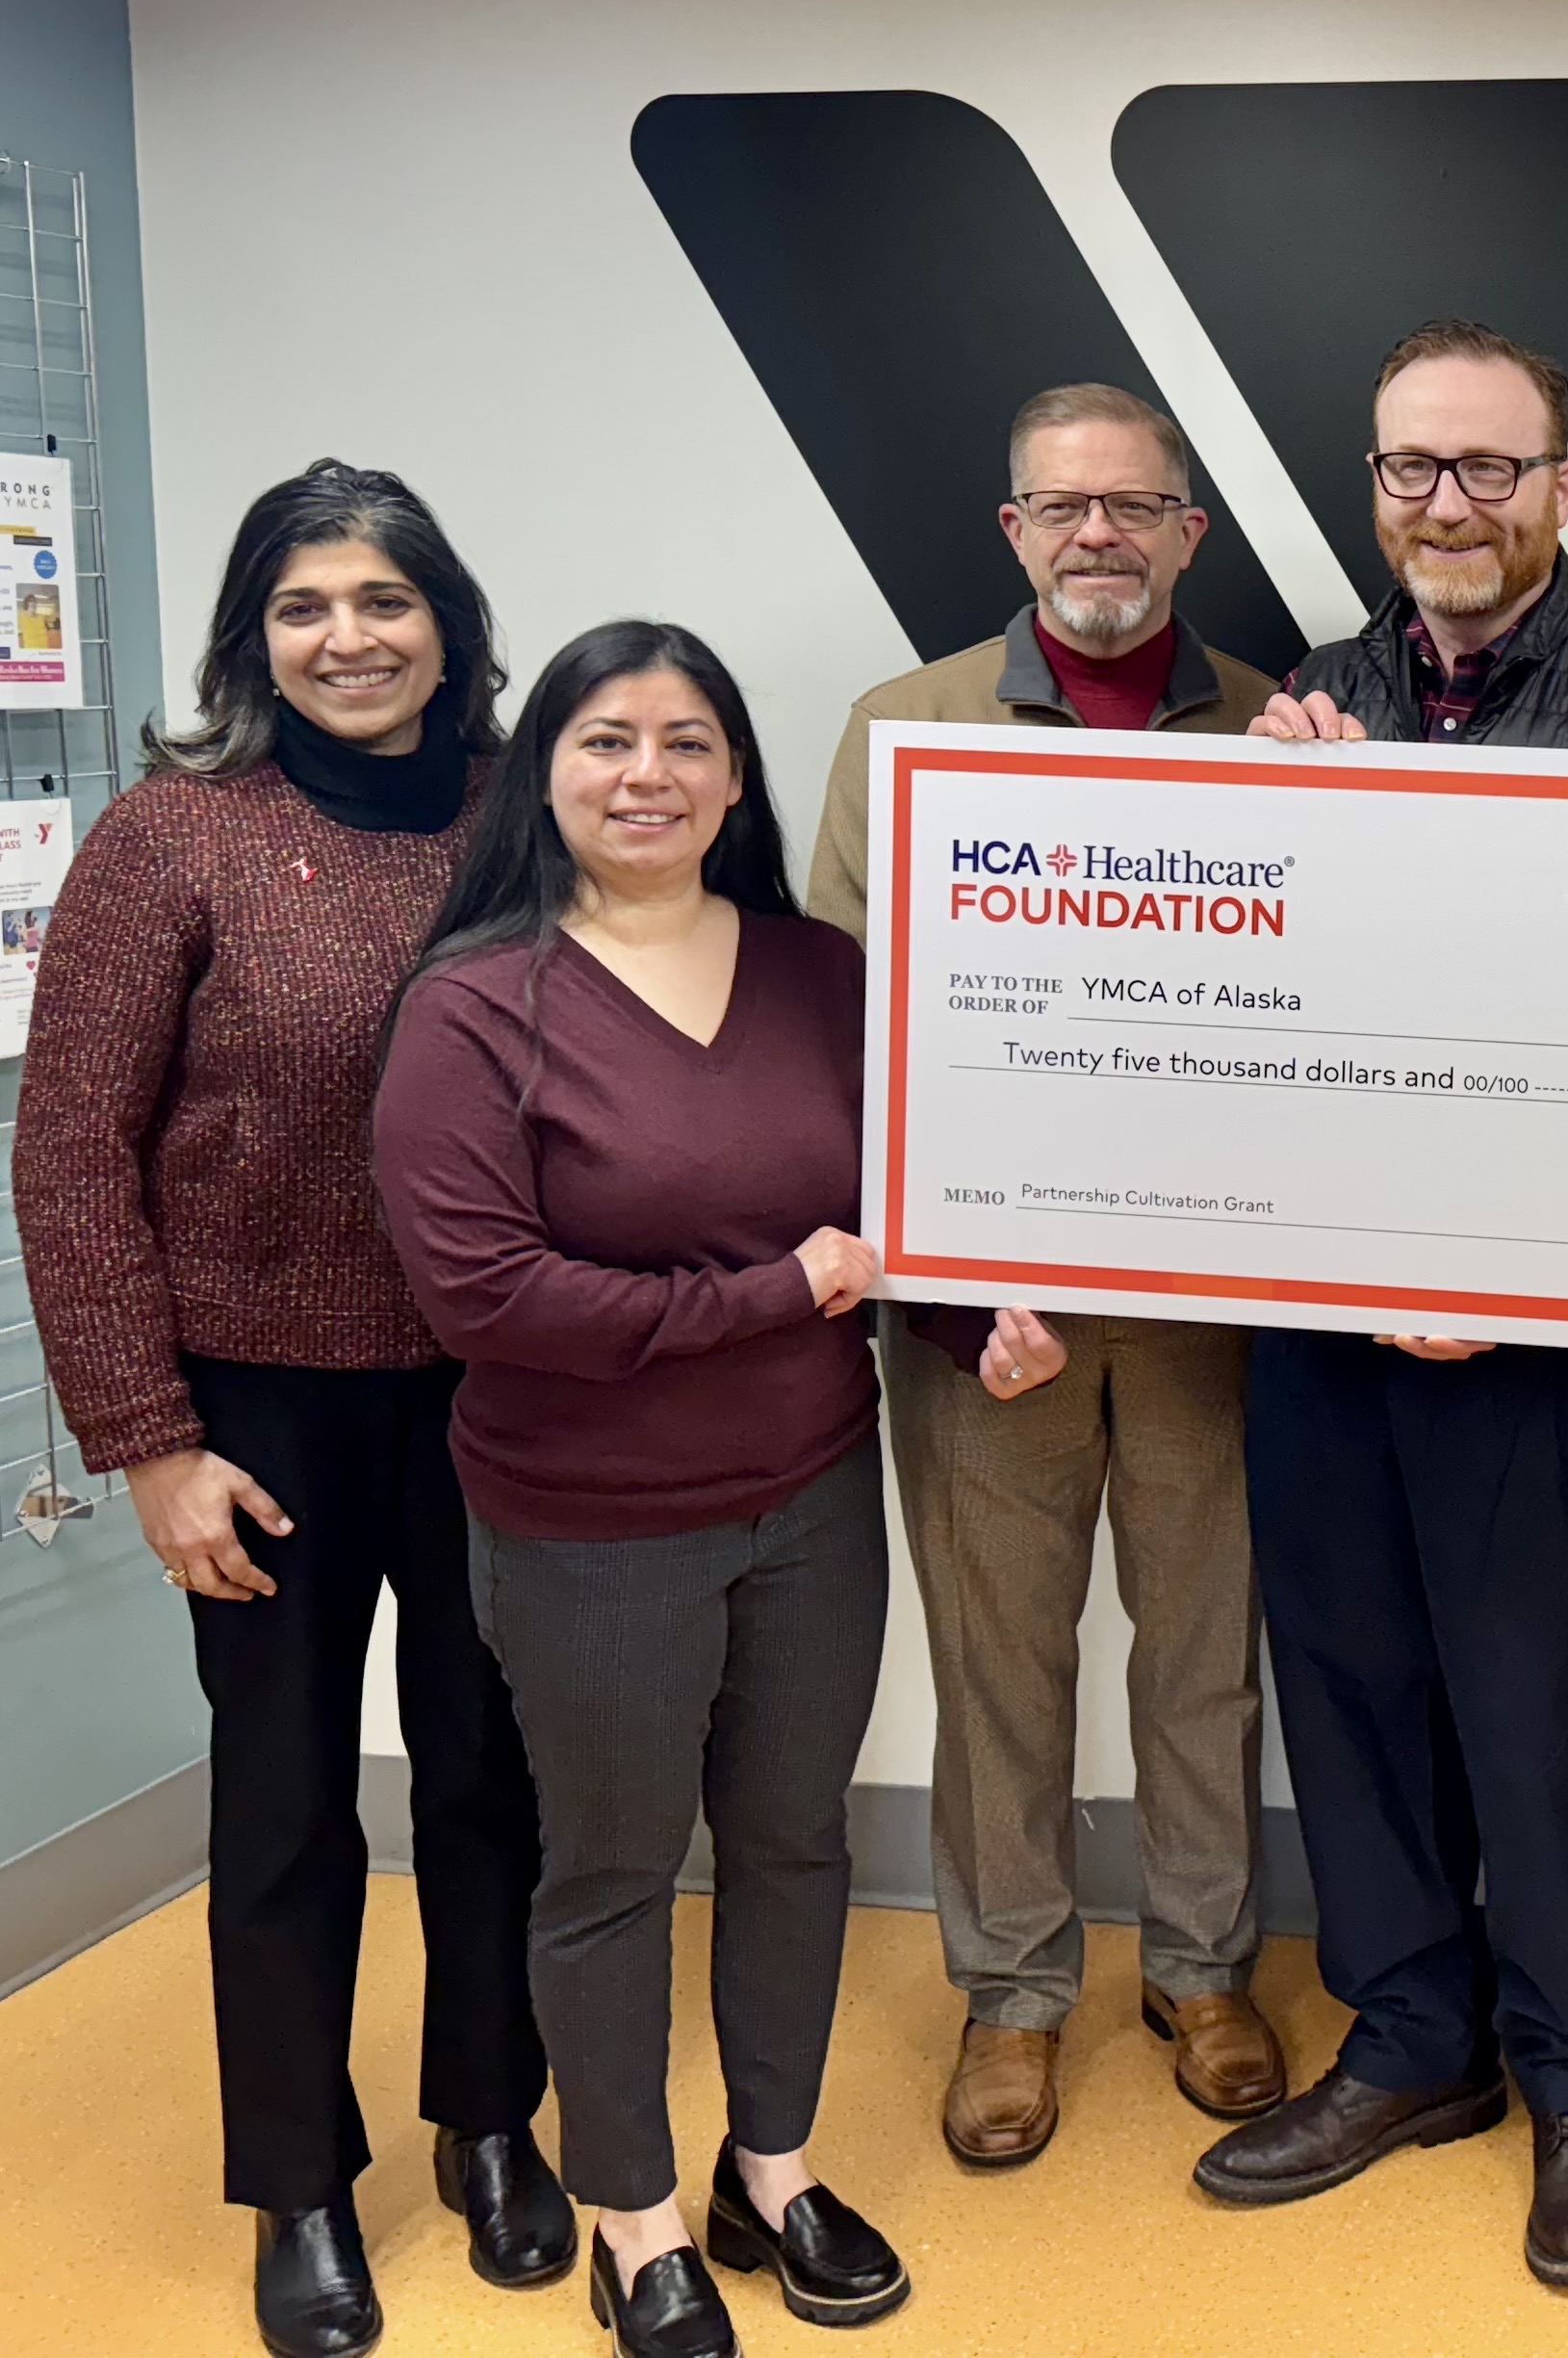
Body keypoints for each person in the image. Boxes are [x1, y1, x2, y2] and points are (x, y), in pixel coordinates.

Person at [374, 624, 1030, 2356]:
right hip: (586, 1529)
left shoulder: (826, 974)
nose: (646, 773)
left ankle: (771, 2167)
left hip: (814, 1496)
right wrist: (781, 1292)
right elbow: (487, 1302)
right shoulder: (471, 1006)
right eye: (604, 739)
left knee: (796, 1842)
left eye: (686, 740)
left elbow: (902, 1202)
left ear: (738, 776)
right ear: (544, 774)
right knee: (607, 1870)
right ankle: (635, 2215)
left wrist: (973, 1320)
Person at [1191, 319, 1568, 2292]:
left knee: (1548, 1707)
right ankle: (1415, 2041)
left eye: (1486, 470)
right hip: (1323, 1322)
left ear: (1559, 491)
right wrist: (1265, 821)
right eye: (1410, 469)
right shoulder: (1295, 711)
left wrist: (1493, 1271)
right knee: (1346, 1685)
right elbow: (1242, 1028)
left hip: (1545, 1343)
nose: (1445, 503)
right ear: (1372, 490)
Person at [16, 460, 562, 2358]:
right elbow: (68, 1152)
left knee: (493, 1776)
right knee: (282, 1806)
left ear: (448, 621)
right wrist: (149, 1444)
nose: (348, 638)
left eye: (383, 600)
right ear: (257, 635)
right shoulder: (174, 839)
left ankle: (493, 2121)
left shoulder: (525, 817)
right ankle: (298, 2185)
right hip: (257, 1406)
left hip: (493, 1383)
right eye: (305, 605)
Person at [808, 381, 1288, 2165]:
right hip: (982, 1307)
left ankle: (1203, 1965)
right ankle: (1010, 1995)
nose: (1098, 534)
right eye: (1059, 508)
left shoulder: (1280, 727)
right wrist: (938, 1289)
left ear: (1188, 530)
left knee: (1203, 1649)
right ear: (1012, 533)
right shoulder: (904, 727)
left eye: (1133, 506)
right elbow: (849, 1041)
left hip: (1206, 1301)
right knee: (994, 1654)